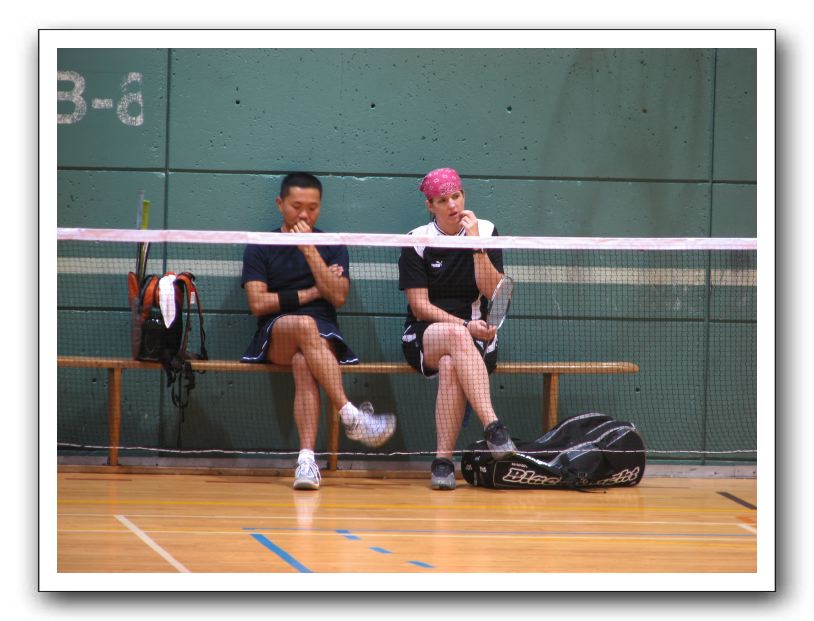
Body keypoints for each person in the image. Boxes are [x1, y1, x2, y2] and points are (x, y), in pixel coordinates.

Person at [241, 172, 395, 490]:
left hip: (323, 333)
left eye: (312, 208)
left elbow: (338, 297)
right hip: (276, 332)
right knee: (303, 324)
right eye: (296, 206)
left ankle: (306, 463)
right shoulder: (260, 245)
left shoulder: (331, 245)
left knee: (303, 362)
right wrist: (313, 292)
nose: (304, 215)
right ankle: (350, 414)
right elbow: (257, 303)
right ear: (280, 204)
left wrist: (310, 251)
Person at [398, 167, 516, 490]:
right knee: (454, 336)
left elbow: (494, 292)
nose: (452, 205)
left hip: (478, 339)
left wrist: (476, 245)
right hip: (426, 334)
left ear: (464, 195)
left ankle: (442, 463)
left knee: (451, 363)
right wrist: (465, 326)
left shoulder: (486, 231)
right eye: (442, 200)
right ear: (430, 206)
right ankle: (493, 426)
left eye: (456, 196)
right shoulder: (417, 240)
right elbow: (420, 306)